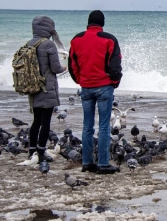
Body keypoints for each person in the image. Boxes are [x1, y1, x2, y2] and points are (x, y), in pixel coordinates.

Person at [68, 10, 122, 174]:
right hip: (104, 86)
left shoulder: (76, 39)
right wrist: (114, 82)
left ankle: (87, 162)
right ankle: (103, 163)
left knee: (87, 125)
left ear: (88, 22)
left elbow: (72, 63)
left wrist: (80, 80)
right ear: (102, 23)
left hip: (86, 87)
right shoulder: (109, 39)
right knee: (104, 126)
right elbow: (115, 64)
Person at [28, 16, 67, 162]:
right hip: (47, 88)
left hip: (33, 87)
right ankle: (42, 152)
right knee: (46, 122)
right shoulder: (49, 44)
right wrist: (65, 67)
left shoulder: (29, 43)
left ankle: (32, 152)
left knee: (36, 121)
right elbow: (56, 68)